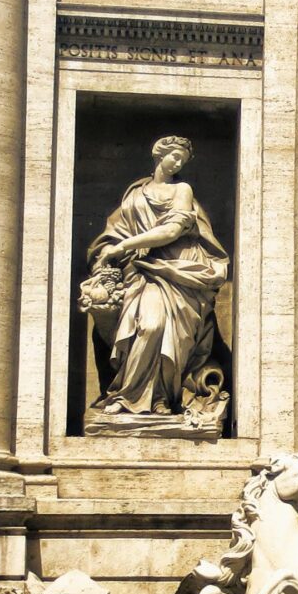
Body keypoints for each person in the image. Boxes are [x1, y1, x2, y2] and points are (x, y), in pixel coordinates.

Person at [81, 136, 230, 425]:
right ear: (158, 155)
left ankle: (162, 399)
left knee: (166, 332)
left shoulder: (182, 189)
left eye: (183, 160)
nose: (177, 163)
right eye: (174, 156)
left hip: (177, 271)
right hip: (139, 272)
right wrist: (111, 251)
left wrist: (124, 246)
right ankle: (126, 397)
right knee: (149, 327)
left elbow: (172, 230)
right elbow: (116, 231)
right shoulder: (135, 193)